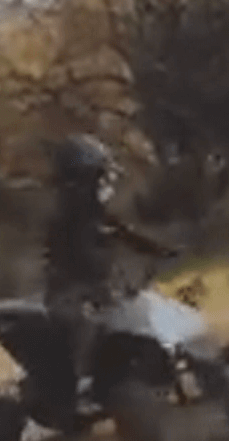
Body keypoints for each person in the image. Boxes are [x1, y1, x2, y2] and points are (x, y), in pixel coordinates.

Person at [41, 134, 178, 380]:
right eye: (99, 178)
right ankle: (81, 382)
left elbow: (127, 235)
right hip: (71, 297)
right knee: (90, 325)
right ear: (80, 182)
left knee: (146, 313)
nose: (105, 185)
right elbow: (80, 260)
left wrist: (162, 251)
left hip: (98, 293)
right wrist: (102, 286)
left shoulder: (97, 215)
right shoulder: (66, 221)